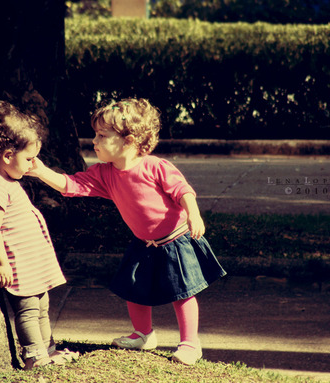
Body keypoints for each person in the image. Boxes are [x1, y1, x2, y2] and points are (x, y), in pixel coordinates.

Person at [27, 98, 226, 365]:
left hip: (175, 240)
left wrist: (193, 213)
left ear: (128, 141)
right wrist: (40, 171)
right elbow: (70, 185)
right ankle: (144, 335)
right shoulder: (104, 174)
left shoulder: (155, 166)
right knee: (134, 289)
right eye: (95, 134)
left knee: (182, 293)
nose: (94, 141)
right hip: (143, 243)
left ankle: (190, 343)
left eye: (102, 135)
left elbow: (183, 191)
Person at [0, 101, 79, 370]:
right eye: (29, 159)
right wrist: (1, 262)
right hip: (17, 263)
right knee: (28, 310)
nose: (33, 164)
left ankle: (48, 350)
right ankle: (34, 356)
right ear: (8, 156)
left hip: (32, 262)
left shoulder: (8, 180)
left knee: (42, 306)